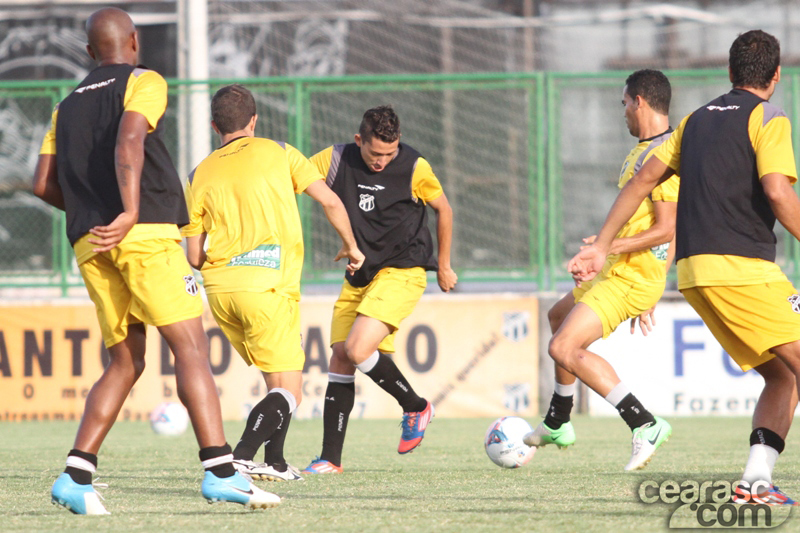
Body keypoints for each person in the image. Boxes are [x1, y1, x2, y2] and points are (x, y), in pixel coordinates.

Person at [33, 8, 278, 514]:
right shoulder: (144, 80)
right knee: (190, 347)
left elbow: (41, 184)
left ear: (88, 52)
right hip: (142, 233)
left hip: (90, 242)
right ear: (134, 41)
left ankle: (75, 476)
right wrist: (127, 211)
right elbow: (129, 138)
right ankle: (221, 471)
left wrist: (93, 215)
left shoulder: (64, 107)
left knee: (125, 361)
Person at [570, 30, 800, 504]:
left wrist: (604, 244)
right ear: (776, 76)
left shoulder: (693, 122)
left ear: (730, 73)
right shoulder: (769, 117)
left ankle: (756, 483)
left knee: (783, 375)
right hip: (742, 269)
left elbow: (642, 180)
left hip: (695, 275)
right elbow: (778, 192)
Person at [182, 84, 364, 482]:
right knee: (292, 393)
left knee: (276, 382)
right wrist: (351, 247)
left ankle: (275, 461)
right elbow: (331, 201)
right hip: (266, 285)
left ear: (215, 126)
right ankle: (241, 455)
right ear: (254, 121)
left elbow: (193, 256)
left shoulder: (198, 173)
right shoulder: (280, 151)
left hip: (221, 291)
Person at [524, 70, 677, 471]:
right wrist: (608, 246)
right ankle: (558, 421)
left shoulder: (665, 155)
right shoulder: (644, 151)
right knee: (556, 317)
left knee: (563, 348)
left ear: (640, 101)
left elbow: (668, 227)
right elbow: (651, 223)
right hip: (621, 269)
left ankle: (644, 423)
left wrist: (611, 252)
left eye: (624, 103)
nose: (623, 111)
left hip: (630, 278)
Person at [301, 105, 457, 474]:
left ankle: (416, 406)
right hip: (360, 271)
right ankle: (330, 459)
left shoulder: (415, 166)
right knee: (340, 357)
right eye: (375, 154)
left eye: (390, 153)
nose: (383, 161)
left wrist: (445, 265)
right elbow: (300, 180)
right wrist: (345, 239)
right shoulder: (336, 158)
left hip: (403, 269)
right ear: (359, 141)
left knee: (357, 349)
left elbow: (444, 209)